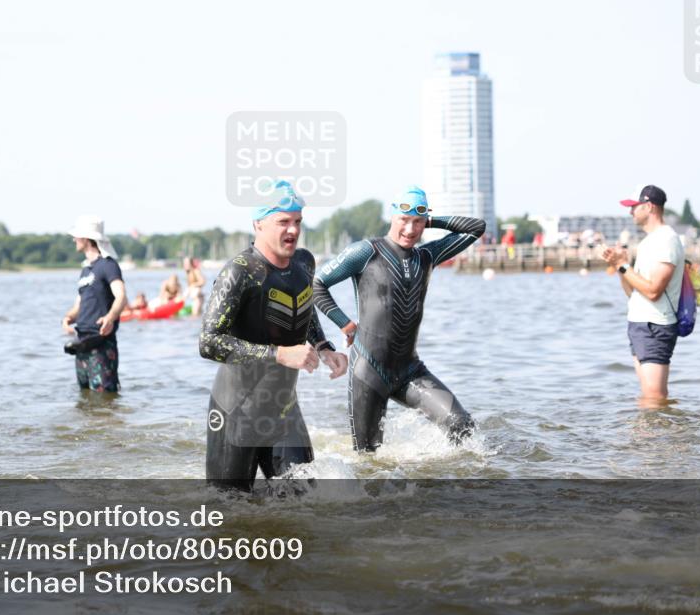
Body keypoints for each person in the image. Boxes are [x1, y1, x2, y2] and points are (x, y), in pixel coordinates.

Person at [199, 181, 348, 491]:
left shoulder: (304, 263)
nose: (292, 230)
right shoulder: (239, 272)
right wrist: (278, 354)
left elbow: (303, 306)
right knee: (230, 514)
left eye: (297, 221)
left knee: (306, 502)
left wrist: (323, 346)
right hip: (236, 410)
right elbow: (209, 342)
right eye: (283, 221)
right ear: (259, 223)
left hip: (283, 408)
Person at [313, 186, 485, 450]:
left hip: (410, 371)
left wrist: (432, 221)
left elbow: (476, 227)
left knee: (462, 427)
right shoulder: (366, 252)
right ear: (392, 216)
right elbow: (317, 284)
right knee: (368, 460)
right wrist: (344, 323)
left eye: (418, 222)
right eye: (404, 220)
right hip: (369, 371)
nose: (410, 229)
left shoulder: (427, 255)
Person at [601, 185, 684, 406]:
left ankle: (661, 439)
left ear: (649, 207)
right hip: (639, 323)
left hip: (655, 325)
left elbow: (653, 291)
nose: (630, 212)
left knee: (654, 397)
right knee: (648, 397)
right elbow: (633, 293)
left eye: (633, 207)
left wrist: (623, 264)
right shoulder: (648, 242)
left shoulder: (666, 240)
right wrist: (620, 266)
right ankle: (649, 439)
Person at [61, 216, 127, 392]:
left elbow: (121, 296)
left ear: (86, 238)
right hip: (82, 343)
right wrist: (68, 318)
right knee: (85, 398)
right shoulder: (85, 270)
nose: (74, 239)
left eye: (77, 236)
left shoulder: (108, 265)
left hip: (102, 344)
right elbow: (80, 305)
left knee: (105, 396)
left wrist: (110, 317)